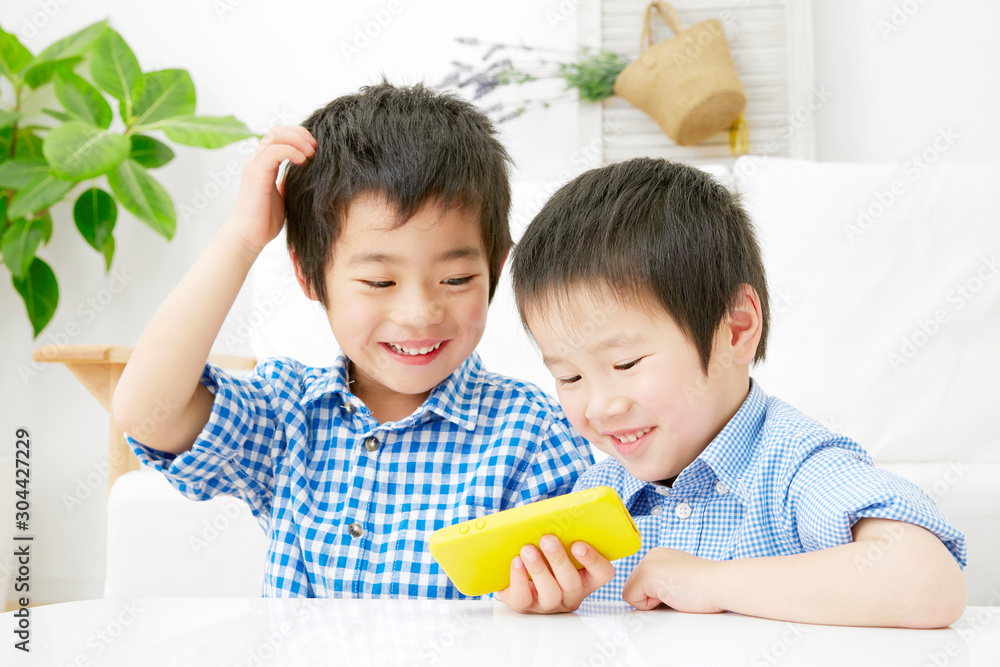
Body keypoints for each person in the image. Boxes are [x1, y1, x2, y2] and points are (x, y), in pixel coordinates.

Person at [111, 82, 593, 598]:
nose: (420, 314)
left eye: (456, 280)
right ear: (309, 277)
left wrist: (550, 606)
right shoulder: (287, 415)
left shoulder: (532, 434)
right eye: (380, 282)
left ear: (495, 269)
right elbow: (146, 414)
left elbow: (567, 605)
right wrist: (242, 238)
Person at [496, 157, 967, 628]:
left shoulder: (796, 468)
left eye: (626, 363)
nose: (600, 407)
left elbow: (928, 584)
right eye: (569, 378)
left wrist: (711, 583)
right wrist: (551, 603)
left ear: (737, 328)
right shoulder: (598, 496)